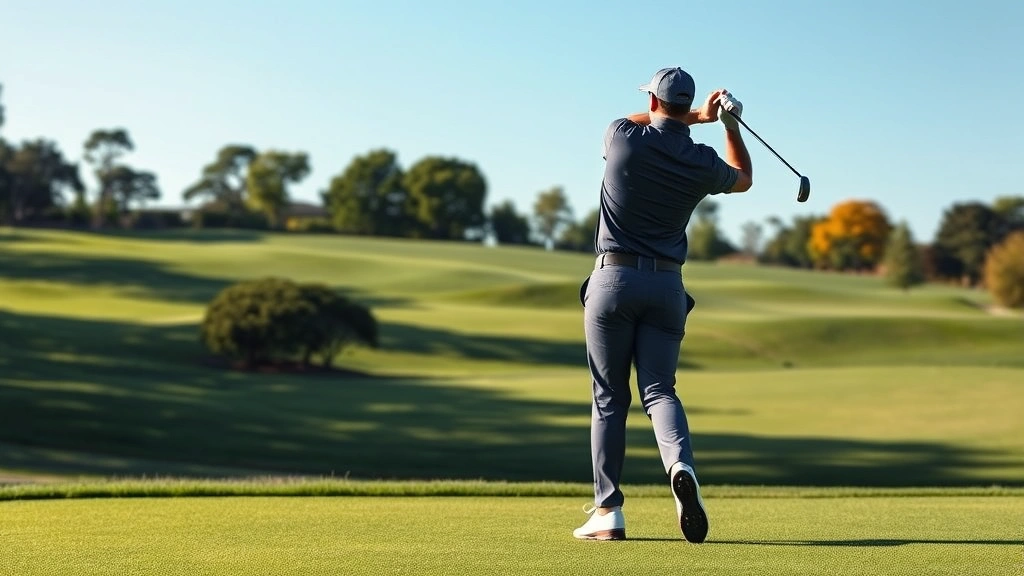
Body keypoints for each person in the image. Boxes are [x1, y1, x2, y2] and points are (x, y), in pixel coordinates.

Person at [572, 67, 753, 543]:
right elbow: (744, 179)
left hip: (613, 281)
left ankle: (608, 511)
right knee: (660, 392)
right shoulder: (700, 160)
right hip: (668, 288)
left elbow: (643, 117)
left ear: (653, 100)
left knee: (610, 398)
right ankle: (679, 465)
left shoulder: (623, 136)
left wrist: (696, 116)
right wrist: (728, 124)